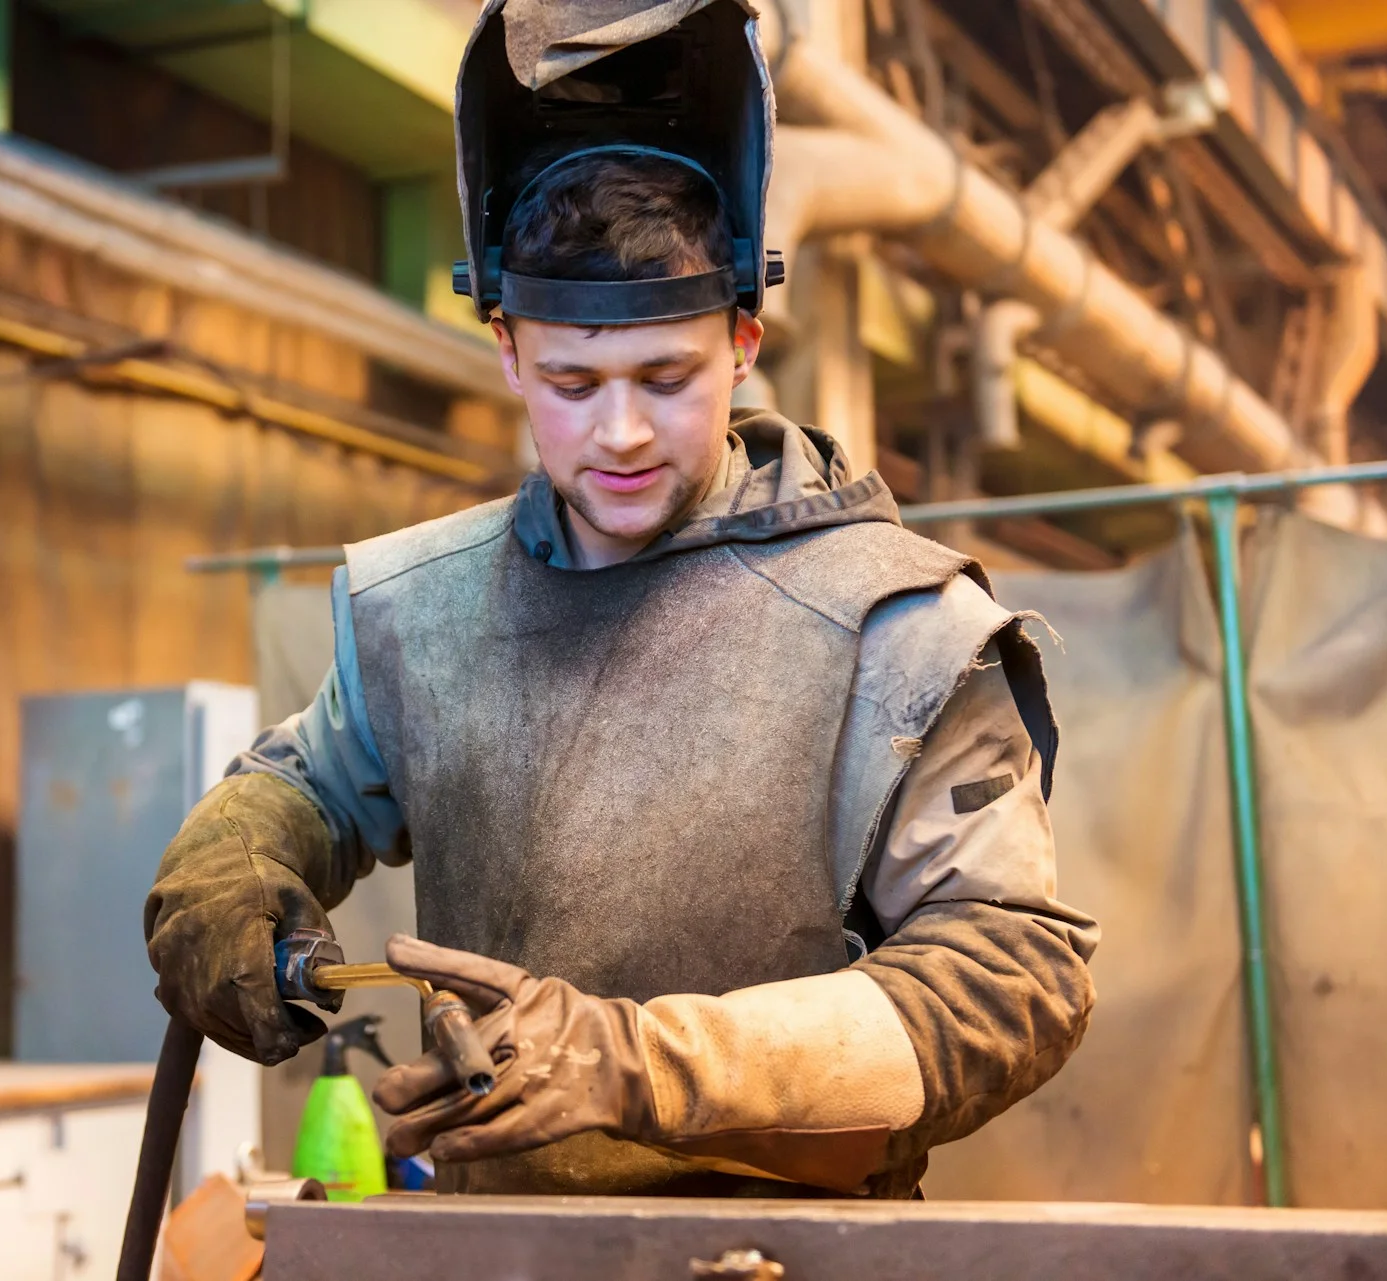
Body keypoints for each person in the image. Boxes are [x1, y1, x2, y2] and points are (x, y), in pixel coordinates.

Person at [144, 1, 1097, 1200]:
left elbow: (1008, 979)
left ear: (743, 341)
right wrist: (233, 866)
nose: (624, 432)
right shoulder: (425, 612)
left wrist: (643, 1065)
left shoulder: (895, 631)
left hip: (790, 1256)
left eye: (668, 375)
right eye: (572, 382)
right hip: (497, 1254)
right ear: (507, 352)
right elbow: (299, 786)